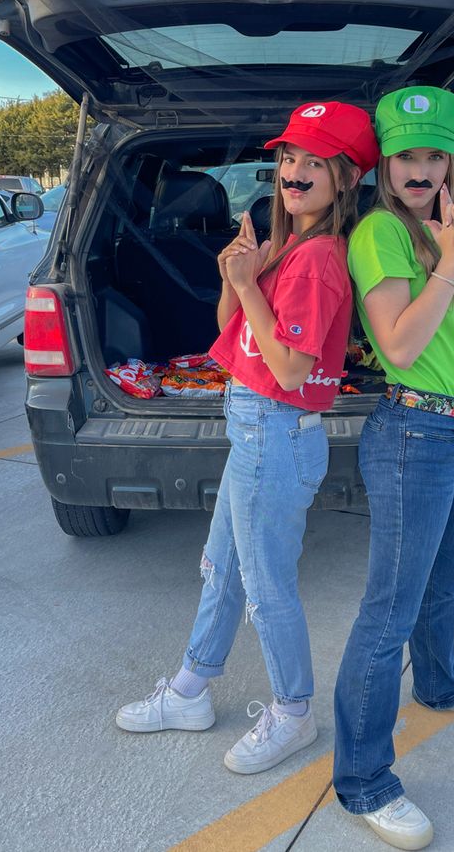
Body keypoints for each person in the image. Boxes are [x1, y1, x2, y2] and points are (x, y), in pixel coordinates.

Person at [116, 102, 379, 775]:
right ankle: (192, 687)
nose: (295, 172)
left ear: (346, 178)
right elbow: (232, 327)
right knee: (221, 566)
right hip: (254, 428)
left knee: (266, 586)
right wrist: (240, 274)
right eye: (289, 157)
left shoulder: (321, 258)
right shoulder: (286, 243)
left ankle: (294, 711)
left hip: (278, 430)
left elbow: (290, 368)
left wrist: (246, 284)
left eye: (315, 162)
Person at [333, 86, 454, 849]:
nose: (420, 168)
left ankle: (440, 680)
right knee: (389, 614)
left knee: (446, 582)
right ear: (386, 161)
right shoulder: (379, 232)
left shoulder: (451, 229)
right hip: (413, 432)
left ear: (451, 161)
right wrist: (447, 259)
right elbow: (401, 346)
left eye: (435, 154)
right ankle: (364, 780)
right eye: (407, 154)